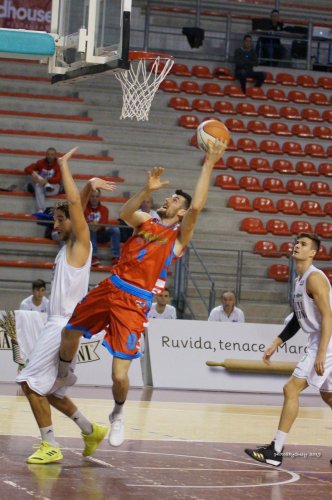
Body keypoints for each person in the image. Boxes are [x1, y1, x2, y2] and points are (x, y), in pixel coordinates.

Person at [56, 140, 226, 449]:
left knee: (119, 374)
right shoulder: (147, 221)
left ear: (182, 210)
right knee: (69, 332)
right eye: (168, 195)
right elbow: (124, 212)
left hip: (135, 302)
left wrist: (210, 162)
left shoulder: (177, 236)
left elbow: (198, 206)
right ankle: (63, 376)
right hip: (111, 286)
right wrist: (146, 189)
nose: (168, 198)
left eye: (173, 198)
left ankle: (118, 414)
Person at [17, 147, 117, 464]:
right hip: (62, 326)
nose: (55, 225)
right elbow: (78, 204)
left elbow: (75, 206)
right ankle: (90, 430)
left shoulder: (81, 242)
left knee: (28, 382)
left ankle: (50, 445)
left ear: (73, 223)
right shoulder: (67, 247)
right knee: (52, 391)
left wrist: (65, 167)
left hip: (63, 325)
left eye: (60, 220)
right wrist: (90, 187)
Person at [245, 233, 332, 467]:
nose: (297, 246)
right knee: (328, 396)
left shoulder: (315, 278)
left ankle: (276, 450)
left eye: (303, 244)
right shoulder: (299, 280)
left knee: (290, 388)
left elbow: (328, 317)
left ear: (313, 252)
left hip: (327, 339)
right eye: (297, 243)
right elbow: (298, 317)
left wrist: (322, 352)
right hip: (321, 338)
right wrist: (278, 341)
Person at [84, 188, 121, 266]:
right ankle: (93, 257)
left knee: (115, 230)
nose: (94, 198)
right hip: (88, 235)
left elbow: (103, 223)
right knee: (91, 230)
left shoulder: (104, 209)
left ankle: (115, 257)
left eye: (97, 196)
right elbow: (84, 223)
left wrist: (94, 225)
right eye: (92, 196)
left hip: (101, 234)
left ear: (99, 197)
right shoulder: (84, 209)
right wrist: (93, 225)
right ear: (89, 197)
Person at [24, 148, 62, 212]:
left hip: (53, 186)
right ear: (46, 155)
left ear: (55, 155)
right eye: (48, 154)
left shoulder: (59, 165)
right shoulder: (41, 162)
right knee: (38, 184)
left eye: (52, 155)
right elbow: (27, 169)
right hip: (41, 185)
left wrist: (47, 180)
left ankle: (29, 187)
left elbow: (58, 179)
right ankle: (41, 210)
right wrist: (32, 173)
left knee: (38, 186)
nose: (50, 156)